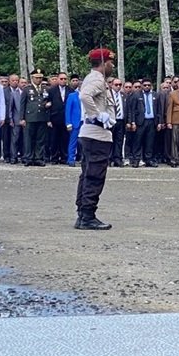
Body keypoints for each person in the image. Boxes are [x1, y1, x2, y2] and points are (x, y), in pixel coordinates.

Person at [75, 48, 117, 230]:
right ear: (104, 63)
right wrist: (97, 115)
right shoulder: (96, 79)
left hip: (93, 134)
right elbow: (84, 96)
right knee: (94, 176)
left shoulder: (96, 79)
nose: (112, 65)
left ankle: (83, 213)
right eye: (110, 62)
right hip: (96, 134)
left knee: (87, 174)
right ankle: (87, 216)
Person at [125, 79, 160, 168]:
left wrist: (159, 122)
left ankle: (148, 159)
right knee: (138, 141)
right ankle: (136, 159)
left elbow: (159, 110)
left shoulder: (155, 95)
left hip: (152, 121)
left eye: (148, 85)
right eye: (145, 85)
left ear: (151, 85)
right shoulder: (136, 95)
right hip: (140, 121)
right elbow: (132, 110)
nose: (147, 87)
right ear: (142, 86)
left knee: (150, 142)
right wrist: (132, 122)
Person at [23, 71, 51, 167]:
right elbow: (22, 104)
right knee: (29, 139)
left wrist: (48, 105)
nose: (38, 79)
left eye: (40, 78)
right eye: (36, 78)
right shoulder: (27, 89)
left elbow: (49, 101)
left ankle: (38, 158)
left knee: (40, 139)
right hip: (30, 117)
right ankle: (28, 158)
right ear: (32, 78)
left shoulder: (46, 89)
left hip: (42, 117)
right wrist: (22, 118)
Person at [48, 72, 70, 164]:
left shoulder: (71, 90)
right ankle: (54, 157)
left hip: (66, 119)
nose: (63, 80)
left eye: (65, 79)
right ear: (57, 79)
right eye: (61, 79)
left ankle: (64, 157)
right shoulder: (51, 90)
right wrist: (48, 119)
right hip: (54, 118)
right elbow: (47, 106)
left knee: (65, 139)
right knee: (54, 140)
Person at [6, 75, 27, 164]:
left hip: (27, 120)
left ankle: (24, 156)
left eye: (25, 83)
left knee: (25, 140)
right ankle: (13, 157)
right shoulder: (14, 94)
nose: (23, 84)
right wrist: (10, 119)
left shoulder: (29, 93)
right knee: (15, 139)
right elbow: (10, 108)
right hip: (16, 119)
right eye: (22, 82)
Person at [109, 78, 127, 167]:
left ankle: (117, 158)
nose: (118, 86)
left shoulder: (123, 95)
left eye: (120, 85)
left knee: (119, 140)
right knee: (109, 140)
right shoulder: (108, 95)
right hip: (111, 121)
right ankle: (109, 158)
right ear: (112, 85)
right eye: (116, 85)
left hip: (121, 121)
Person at [65, 82, 82, 166]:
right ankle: (71, 159)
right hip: (75, 122)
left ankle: (83, 158)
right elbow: (68, 110)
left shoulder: (89, 96)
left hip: (85, 122)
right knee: (73, 142)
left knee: (85, 142)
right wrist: (68, 123)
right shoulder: (72, 96)